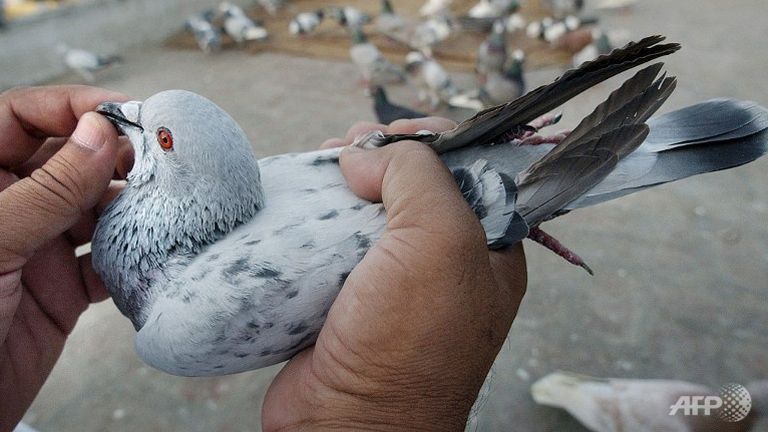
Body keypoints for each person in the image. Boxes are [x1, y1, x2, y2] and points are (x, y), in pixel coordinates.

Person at [0, 85, 527, 431]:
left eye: (157, 134)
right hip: (442, 184)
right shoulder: (244, 188)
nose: (122, 113)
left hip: (471, 196)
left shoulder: (176, 332)